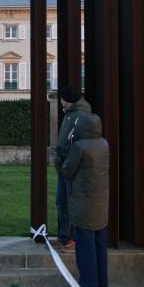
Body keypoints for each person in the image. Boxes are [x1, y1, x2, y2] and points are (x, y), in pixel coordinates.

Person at [62, 112, 109, 287]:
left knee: (85, 244)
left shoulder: (79, 147)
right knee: (100, 243)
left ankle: (88, 283)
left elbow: (68, 170)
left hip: (84, 201)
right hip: (101, 200)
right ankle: (102, 282)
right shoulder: (104, 144)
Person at [53, 86, 91, 249]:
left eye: (61, 98)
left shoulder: (79, 117)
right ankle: (64, 236)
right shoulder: (70, 115)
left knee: (69, 202)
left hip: (71, 167)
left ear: (65, 99)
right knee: (62, 202)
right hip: (65, 166)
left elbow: (77, 144)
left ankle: (71, 237)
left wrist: (67, 162)